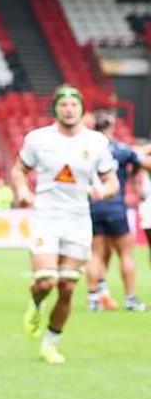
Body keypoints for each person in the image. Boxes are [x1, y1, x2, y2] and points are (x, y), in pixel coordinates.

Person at [11, 86, 117, 364]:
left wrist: (103, 192)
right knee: (46, 281)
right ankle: (36, 303)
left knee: (68, 288)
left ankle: (51, 343)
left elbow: (112, 182)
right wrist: (22, 191)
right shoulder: (38, 139)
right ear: (56, 108)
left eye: (74, 104)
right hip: (46, 216)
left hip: (78, 218)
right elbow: (19, 170)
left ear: (82, 109)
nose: (69, 109)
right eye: (64, 104)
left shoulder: (96, 142)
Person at [86, 111, 150, 312]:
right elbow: (144, 163)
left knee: (96, 254)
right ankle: (131, 299)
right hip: (116, 206)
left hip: (93, 206)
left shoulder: (86, 149)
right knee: (125, 253)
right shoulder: (122, 150)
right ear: (111, 127)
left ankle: (93, 299)